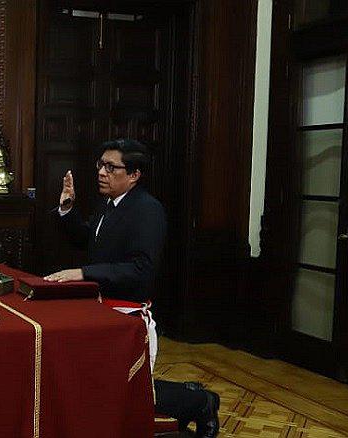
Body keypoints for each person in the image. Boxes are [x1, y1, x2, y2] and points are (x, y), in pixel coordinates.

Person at [45, 139, 221, 437]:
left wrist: (83, 273)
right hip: (100, 314)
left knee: (125, 394)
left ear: (134, 174)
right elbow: (88, 240)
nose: (102, 172)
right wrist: (67, 208)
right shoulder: (108, 204)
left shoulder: (148, 210)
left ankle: (200, 401)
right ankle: (192, 396)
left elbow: (141, 269)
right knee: (101, 388)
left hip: (128, 317)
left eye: (111, 167)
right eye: (100, 165)